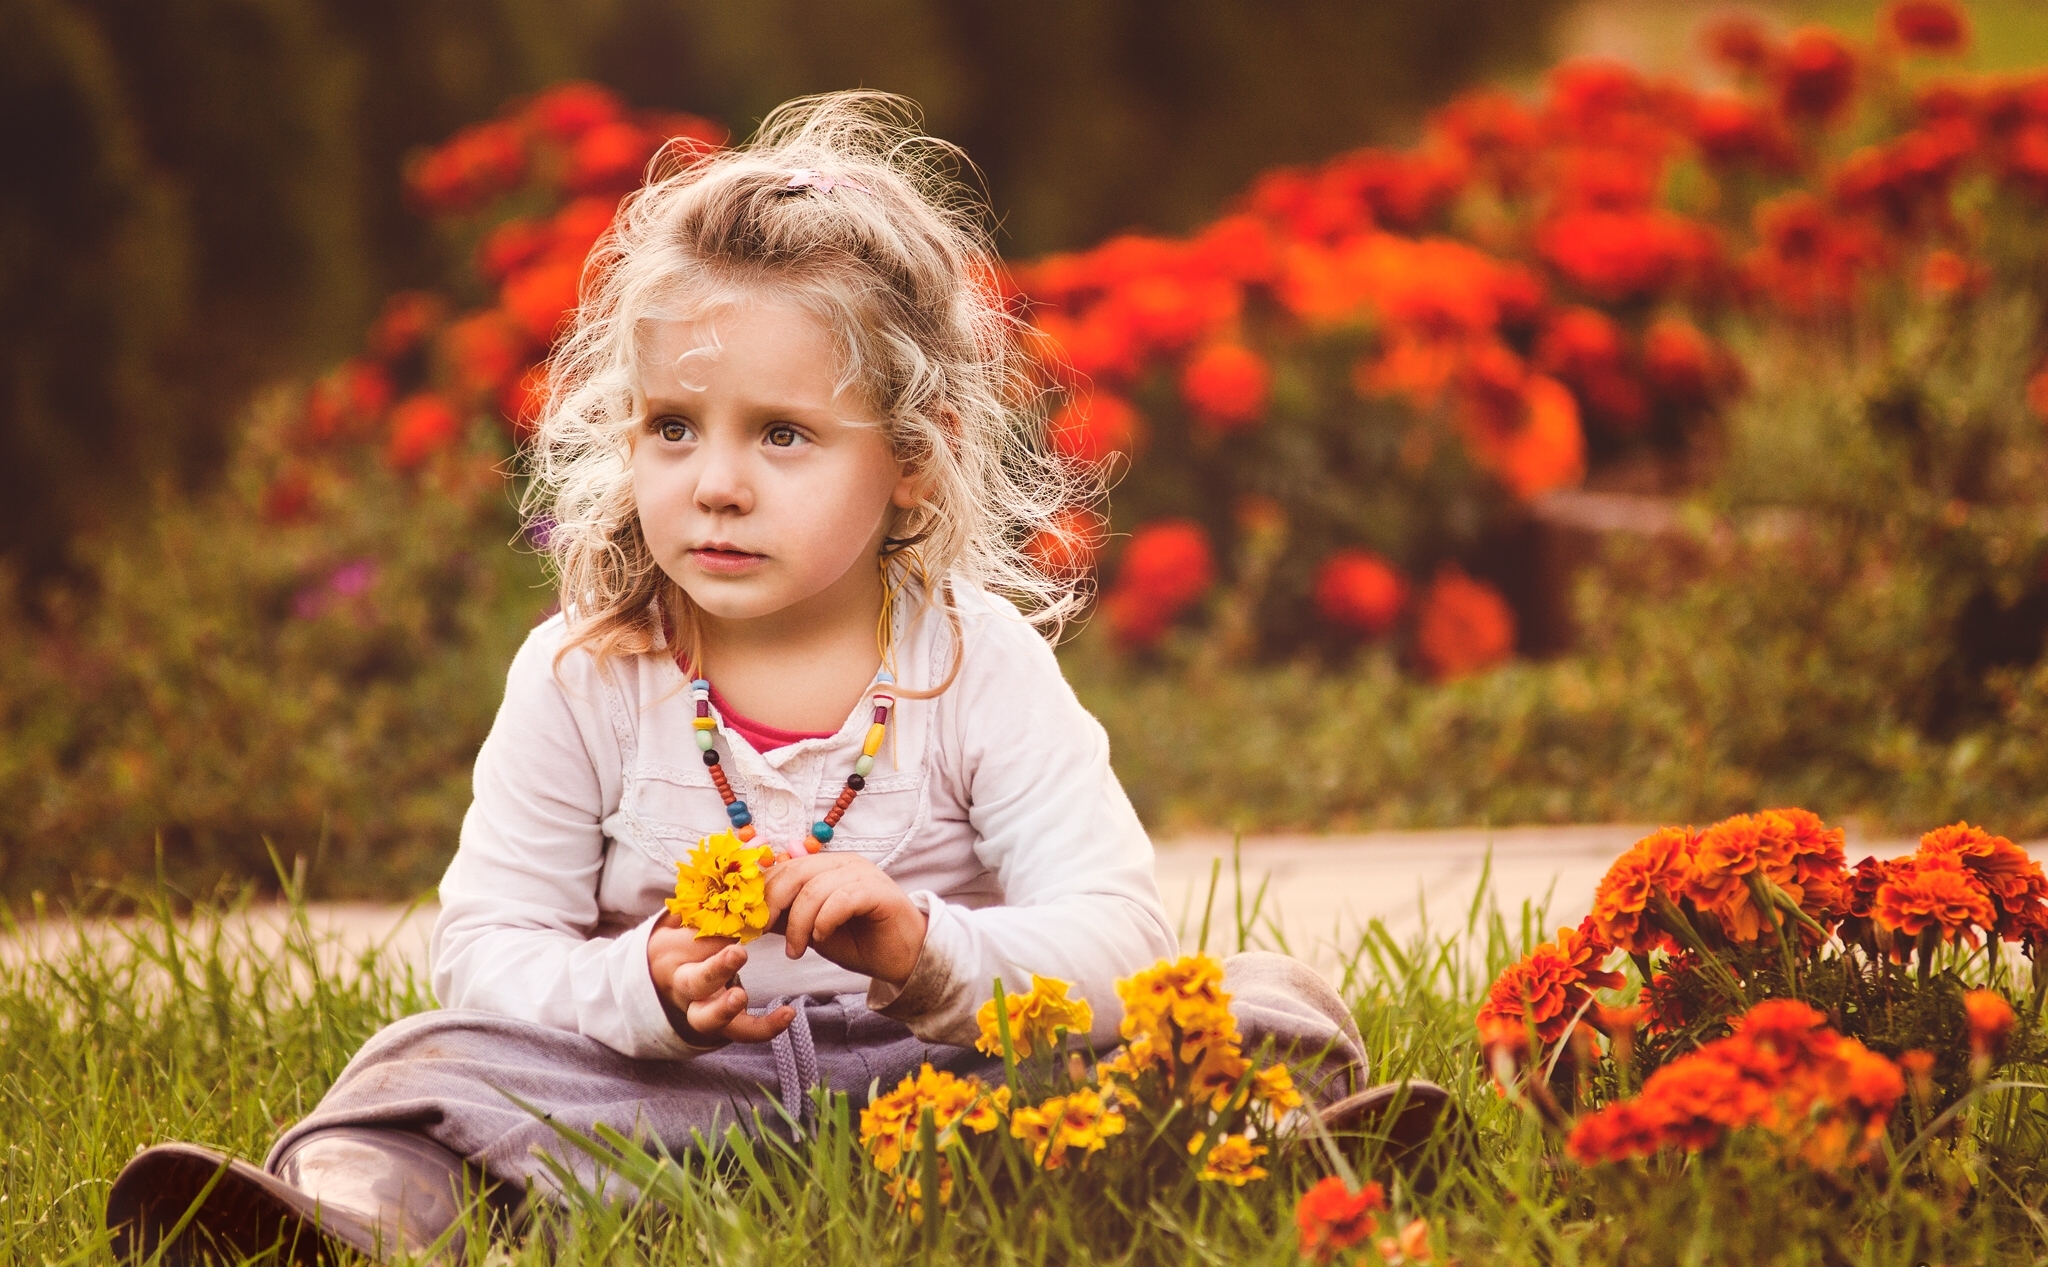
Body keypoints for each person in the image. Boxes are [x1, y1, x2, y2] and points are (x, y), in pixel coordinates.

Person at [106, 91, 1440, 1264]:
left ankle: (1298, 1157)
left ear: (913, 458)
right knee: (418, 1068)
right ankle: (351, 1222)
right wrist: (640, 993)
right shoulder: (583, 678)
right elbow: (485, 951)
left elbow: (1115, 934)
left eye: (784, 435)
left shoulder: (977, 667)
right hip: (667, 1103)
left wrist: (930, 951)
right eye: (673, 428)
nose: (718, 482)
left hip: (953, 1090)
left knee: (1259, 1002)